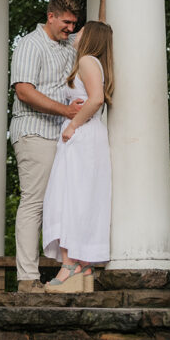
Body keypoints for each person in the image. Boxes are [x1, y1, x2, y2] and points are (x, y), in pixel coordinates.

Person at [10, 0, 105, 293]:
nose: (70, 28)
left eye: (73, 23)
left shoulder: (68, 45)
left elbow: (97, 35)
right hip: (34, 132)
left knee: (64, 202)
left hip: (62, 138)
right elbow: (24, 91)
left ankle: (73, 271)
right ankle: (27, 277)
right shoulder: (30, 44)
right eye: (65, 22)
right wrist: (67, 113)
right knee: (34, 201)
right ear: (50, 16)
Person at [42, 20, 114, 293]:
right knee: (80, 198)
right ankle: (82, 268)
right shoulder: (93, 62)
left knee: (69, 197)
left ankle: (69, 265)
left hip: (81, 135)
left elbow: (95, 99)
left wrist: (72, 125)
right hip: (88, 135)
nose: (75, 31)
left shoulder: (86, 60)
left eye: (81, 28)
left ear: (90, 36)